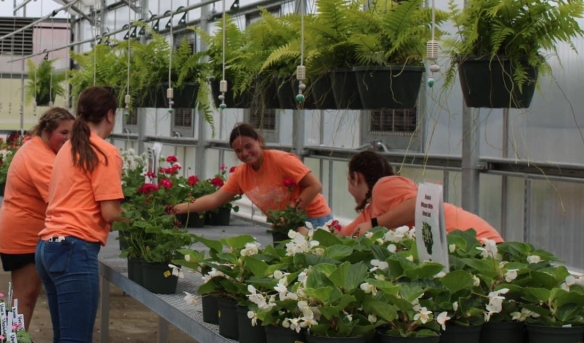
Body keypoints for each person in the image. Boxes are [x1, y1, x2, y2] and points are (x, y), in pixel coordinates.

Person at [36, 86, 122, 343]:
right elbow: (109, 211)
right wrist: (139, 218)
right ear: (110, 115)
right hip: (74, 250)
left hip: (49, 248)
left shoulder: (69, 147)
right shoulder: (104, 152)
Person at [0, 107, 75, 331]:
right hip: (23, 236)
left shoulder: (40, 149)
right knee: (25, 296)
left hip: (28, 232)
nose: (69, 139)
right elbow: (59, 196)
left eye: (72, 133)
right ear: (48, 131)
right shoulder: (40, 157)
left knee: (26, 296)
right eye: (63, 133)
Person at [170, 123, 333, 228]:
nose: (245, 153)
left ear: (259, 141)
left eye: (248, 146)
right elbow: (214, 199)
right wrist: (176, 208)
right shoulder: (241, 174)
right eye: (238, 150)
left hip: (314, 220)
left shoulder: (281, 160)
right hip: (286, 224)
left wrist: (289, 215)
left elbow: (315, 186)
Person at [341, 151, 503, 242]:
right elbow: (342, 236)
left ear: (356, 178)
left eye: (348, 181)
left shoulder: (384, 185)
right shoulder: (372, 211)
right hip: (461, 248)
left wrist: (375, 224)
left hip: (481, 242)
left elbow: (422, 203)